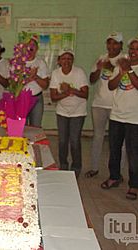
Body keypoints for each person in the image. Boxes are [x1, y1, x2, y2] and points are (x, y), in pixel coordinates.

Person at [101, 37, 138, 200]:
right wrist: (121, 72)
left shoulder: (129, 67)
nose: (133, 51)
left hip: (134, 118)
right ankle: (114, 176)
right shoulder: (120, 65)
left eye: (136, 49)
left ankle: (134, 185)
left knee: (133, 153)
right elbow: (111, 86)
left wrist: (129, 71)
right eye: (131, 48)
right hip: (116, 115)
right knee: (114, 149)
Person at [85, 32, 124, 178]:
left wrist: (110, 67)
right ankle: (94, 168)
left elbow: (123, 78)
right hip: (99, 104)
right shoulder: (101, 58)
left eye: (115, 43)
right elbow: (92, 79)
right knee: (97, 137)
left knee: (117, 141)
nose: (112, 46)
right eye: (109, 42)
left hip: (117, 106)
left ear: (121, 45)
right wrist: (98, 69)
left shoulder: (124, 59)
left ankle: (117, 172)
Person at [50, 48, 88, 178]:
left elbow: (85, 94)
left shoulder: (79, 72)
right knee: (62, 141)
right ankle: (63, 166)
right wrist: (67, 93)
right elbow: (53, 97)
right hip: (62, 112)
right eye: (64, 58)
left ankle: (76, 167)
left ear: (73, 60)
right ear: (59, 61)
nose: (66, 61)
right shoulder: (56, 73)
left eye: (69, 58)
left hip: (78, 112)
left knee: (75, 140)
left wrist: (70, 89)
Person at [24, 35, 50, 127]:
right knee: (22, 127)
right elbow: (13, 85)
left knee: (35, 127)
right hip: (21, 99)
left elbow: (45, 85)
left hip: (37, 99)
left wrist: (35, 76)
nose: (30, 47)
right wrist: (28, 78)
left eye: (33, 45)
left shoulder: (41, 63)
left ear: (37, 48)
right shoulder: (18, 62)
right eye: (28, 44)